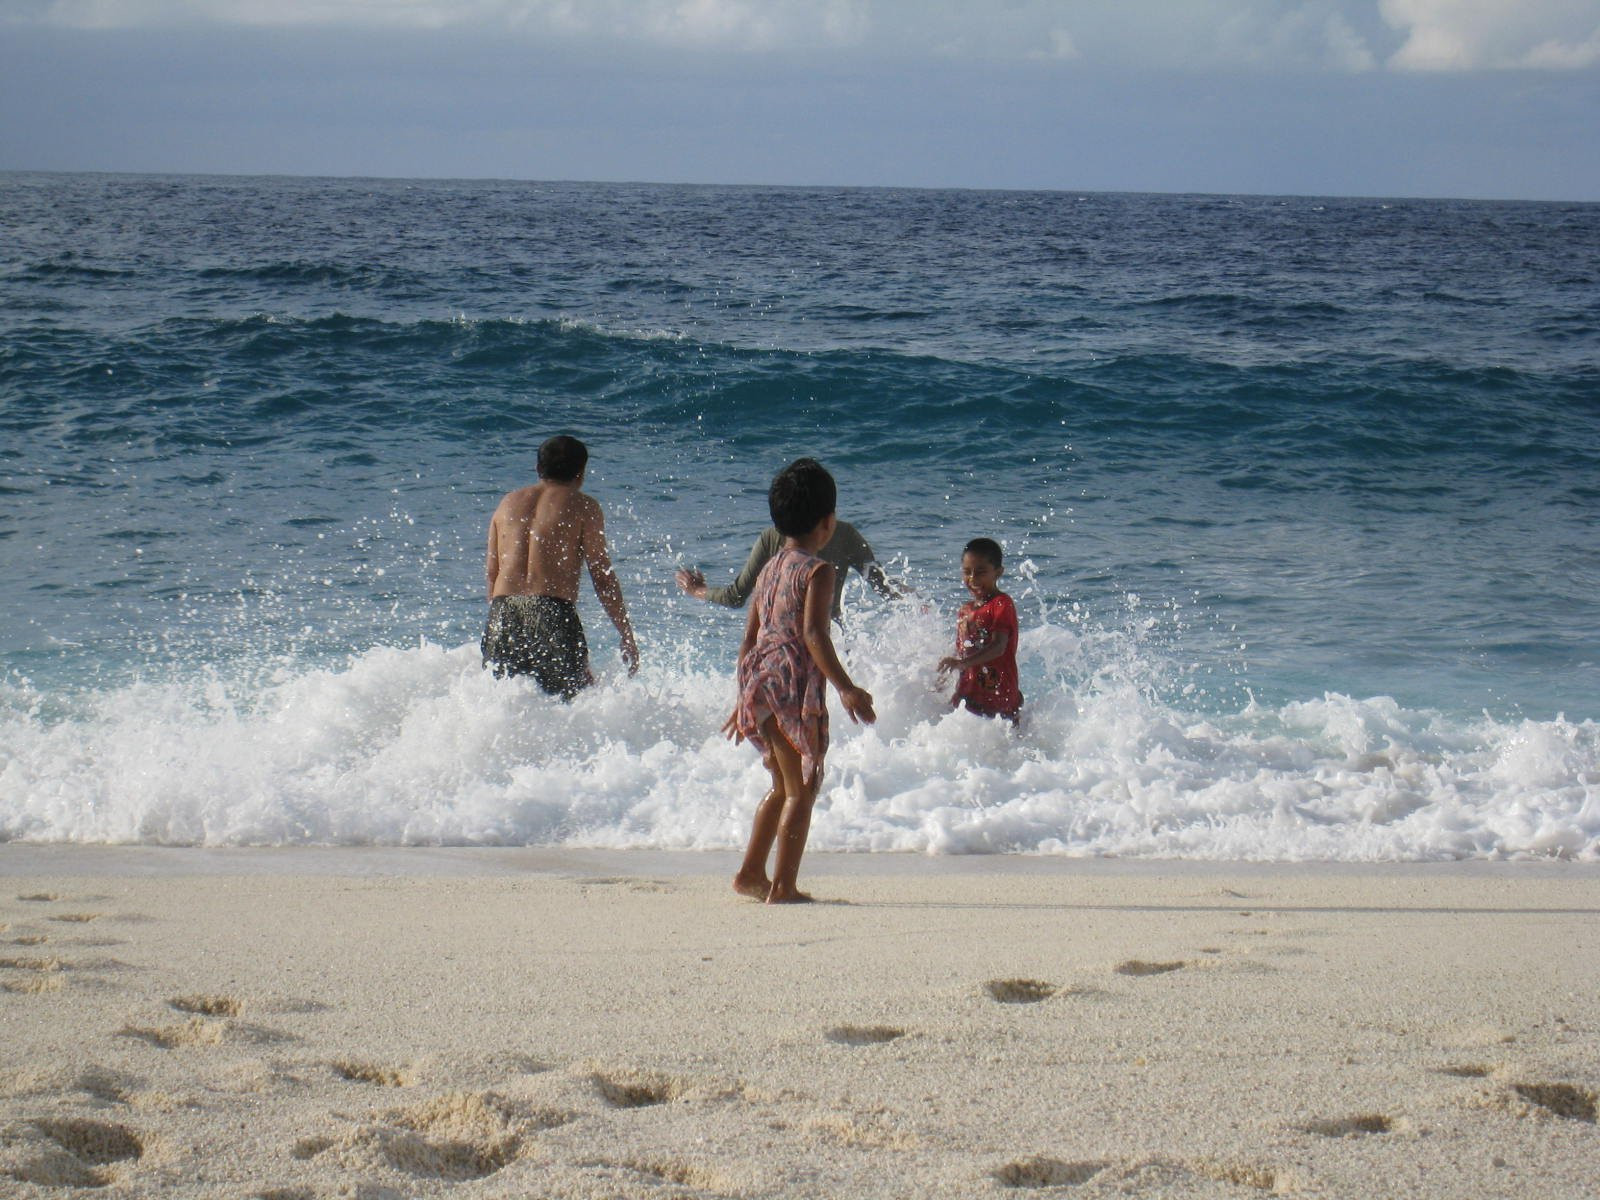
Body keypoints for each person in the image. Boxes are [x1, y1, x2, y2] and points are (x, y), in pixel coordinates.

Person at [725, 458, 876, 904]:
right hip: (789, 686)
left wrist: (743, 697)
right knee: (801, 790)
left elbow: (749, 638)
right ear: (828, 523)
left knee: (781, 785)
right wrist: (846, 688)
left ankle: (751, 873)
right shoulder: (817, 570)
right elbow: (813, 635)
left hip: (760, 679)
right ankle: (783, 886)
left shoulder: (769, 569)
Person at [482, 434, 639, 699]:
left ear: (537, 468)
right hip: (551, 612)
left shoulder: (507, 503)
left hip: (503, 611)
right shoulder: (584, 506)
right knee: (575, 701)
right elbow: (602, 577)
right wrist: (626, 633)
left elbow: (491, 572)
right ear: (581, 473)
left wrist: (499, 618)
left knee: (505, 701)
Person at [676, 515, 897, 621]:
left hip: (776, 655)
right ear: (828, 517)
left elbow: (735, 597)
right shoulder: (843, 533)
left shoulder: (772, 538)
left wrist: (697, 590)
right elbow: (886, 589)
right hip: (832, 652)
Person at [937, 537, 1023, 721]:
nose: (973, 579)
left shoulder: (1001, 604)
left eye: (981, 572)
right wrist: (947, 673)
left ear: (998, 572)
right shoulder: (965, 611)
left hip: (1000, 703)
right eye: (967, 572)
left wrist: (962, 663)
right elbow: (962, 651)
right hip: (967, 699)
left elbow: (999, 646)